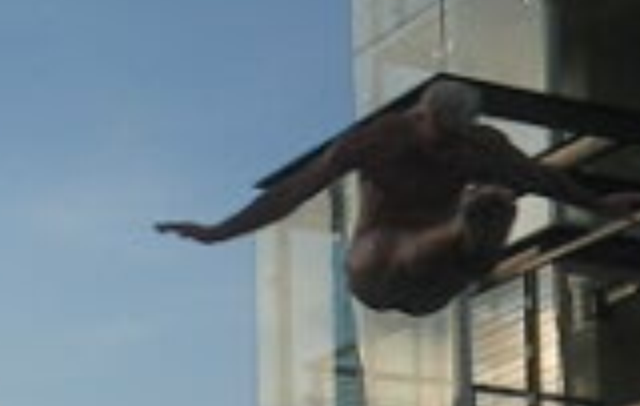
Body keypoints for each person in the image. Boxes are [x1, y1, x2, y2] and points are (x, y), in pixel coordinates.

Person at [155, 81, 640, 316]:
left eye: (455, 142)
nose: (445, 152)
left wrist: (601, 206)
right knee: (389, 248)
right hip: (375, 269)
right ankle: (462, 224)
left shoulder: (482, 146)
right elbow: (291, 192)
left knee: (483, 227)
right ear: (419, 116)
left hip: (438, 277)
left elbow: (540, 178)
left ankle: (470, 228)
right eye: (437, 140)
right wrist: (219, 232)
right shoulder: (375, 141)